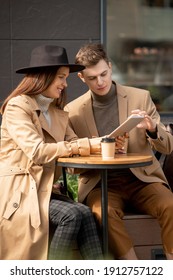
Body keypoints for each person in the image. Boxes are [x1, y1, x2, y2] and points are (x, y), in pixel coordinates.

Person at [64, 43, 173, 260]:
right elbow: (72, 166)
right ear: (82, 78)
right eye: (92, 78)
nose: (100, 81)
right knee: (101, 213)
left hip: (142, 179)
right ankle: (133, 269)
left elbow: (168, 146)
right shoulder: (72, 112)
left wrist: (152, 130)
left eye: (103, 74)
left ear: (111, 67)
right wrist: (98, 150)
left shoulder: (140, 97)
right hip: (101, 182)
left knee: (170, 205)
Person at [0, 45, 109, 260]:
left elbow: (75, 144)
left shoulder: (57, 112)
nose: (65, 84)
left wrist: (106, 145)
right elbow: (38, 152)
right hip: (20, 193)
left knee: (86, 213)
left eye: (66, 77)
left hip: (45, 190)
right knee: (71, 215)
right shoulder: (18, 107)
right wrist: (87, 144)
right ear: (44, 76)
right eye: (61, 77)